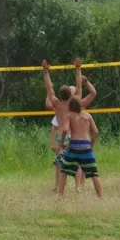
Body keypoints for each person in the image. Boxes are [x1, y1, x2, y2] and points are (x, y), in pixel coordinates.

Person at [44, 58, 97, 189]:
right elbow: (79, 87)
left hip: (61, 136)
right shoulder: (76, 103)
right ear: (71, 95)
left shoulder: (57, 104)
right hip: (73, 136)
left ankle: (59, 187)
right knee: (77, 163)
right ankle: (77, 186)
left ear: (60, 95)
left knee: (61, 164)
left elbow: (50, 89)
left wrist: (45, 71)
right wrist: (78, 68)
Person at [56, 96, 103, 199]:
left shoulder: (68, 115)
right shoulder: (88, 116)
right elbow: (95, 132)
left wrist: (61, 145)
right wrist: (91, 145)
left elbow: (64, 131)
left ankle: (60, 195)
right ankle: (101, 197)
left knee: (64, 170)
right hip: (86, 145)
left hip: (74, 146)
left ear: (70, 106)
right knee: (94, 173)